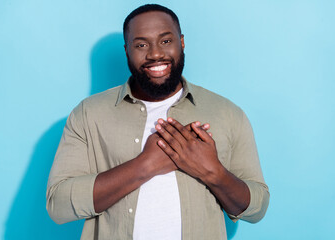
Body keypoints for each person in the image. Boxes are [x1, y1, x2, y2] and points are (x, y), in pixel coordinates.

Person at [46, 4, 269, 240]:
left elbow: (257, 208)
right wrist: (146, 165)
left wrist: (212, 171)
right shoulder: (88, 114)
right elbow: (58, 204)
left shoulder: (227, 113)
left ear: (181, 42)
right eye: (141, 45)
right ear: (127, 50)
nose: (154, 54)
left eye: (165, 41)